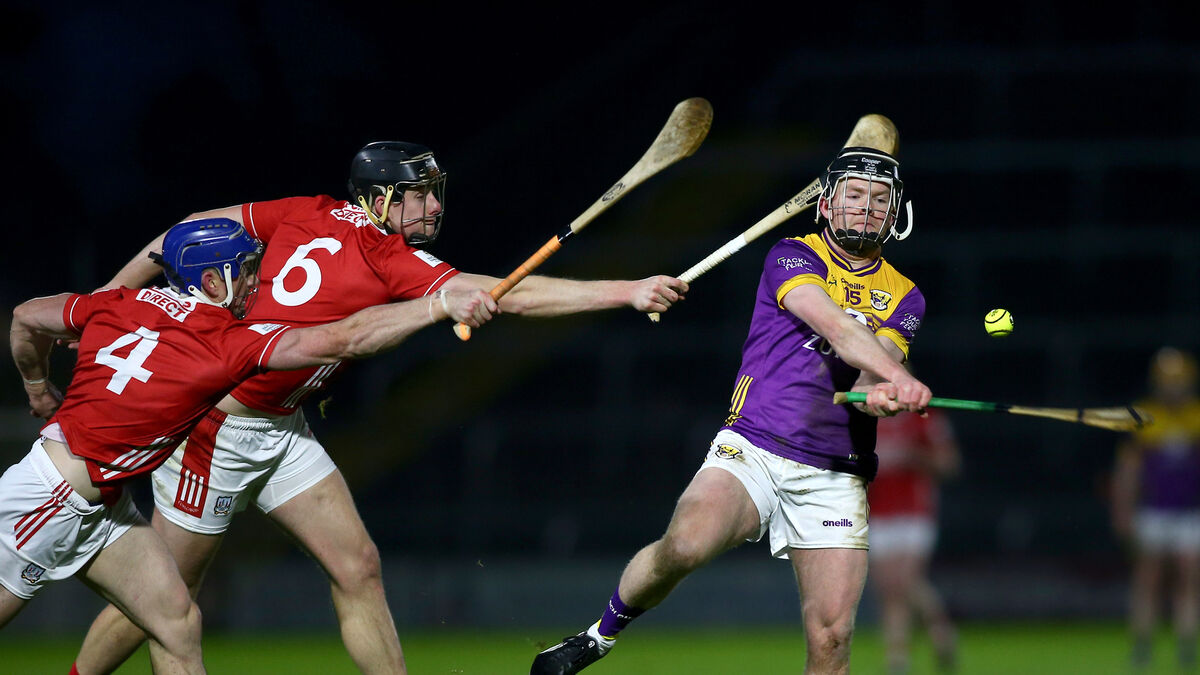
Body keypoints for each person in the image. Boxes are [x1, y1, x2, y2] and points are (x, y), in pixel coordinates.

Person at [72, 141, 688, 675]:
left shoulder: (307, 211)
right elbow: (511, 296)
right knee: (166, 596)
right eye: (420, 195)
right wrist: (626, 291)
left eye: (435, 193)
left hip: (283, 428)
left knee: (358, 566)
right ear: (381, 198)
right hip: (217, 430)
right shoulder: (388, 257)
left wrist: (108, 299)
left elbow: (182, 231)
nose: (435, 206)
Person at [3, 218, 497, 675]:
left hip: (109, 507)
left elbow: (27, 317)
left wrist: (37, 386)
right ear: (211, 280)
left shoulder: (117, 302)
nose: (255, 283)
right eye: (243, 271)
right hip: (48, 502)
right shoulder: (223, 344)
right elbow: (343, 340)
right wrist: (436, 305)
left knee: (177, 622)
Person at [531, 146, 931, 675]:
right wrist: (898, 378)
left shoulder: (906, 296)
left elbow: (871, 371)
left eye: (879, 199)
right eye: (854, 194)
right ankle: (598, 635)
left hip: (835, 470)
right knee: (684, 547)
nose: (866, 207)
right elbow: (835, 326)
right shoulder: (793, 255)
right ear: (826, 203)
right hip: (755, 445)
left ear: (896, 212)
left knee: (833, 636)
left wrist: (880, 393)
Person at [1110, 346, 1200, 670]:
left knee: (1188, 577)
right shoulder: (1143, 415)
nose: (1173, 387)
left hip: (1190, 512)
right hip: (1153, 511)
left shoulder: (1197, 415)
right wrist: (1122, 510)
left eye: (1179, 380)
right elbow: (1128, 470)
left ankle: (1187, 646)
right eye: (1167, 381)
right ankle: (1142, 646)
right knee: (1148, 578)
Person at [867, 407, 961, 674]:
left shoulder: (924, 418)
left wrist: (912, 455)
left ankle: (939, 632)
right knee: (888, 588)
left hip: (914, 510)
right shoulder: (866, 420)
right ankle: (898, 660)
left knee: (905, 580)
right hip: (878, 512)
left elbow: (949, 463)